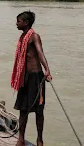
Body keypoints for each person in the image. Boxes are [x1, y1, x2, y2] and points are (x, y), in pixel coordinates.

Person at [11, 11, 52, 146]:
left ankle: (39, 140)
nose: (16, 23)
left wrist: (47, 70)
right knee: (23, 109)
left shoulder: (34, 36)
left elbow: (40, 52)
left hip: (36, 77)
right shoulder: (22, 37)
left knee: (39, 111)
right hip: (24, 77)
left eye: (19, 21)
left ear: (26, 23)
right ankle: (21, 139)